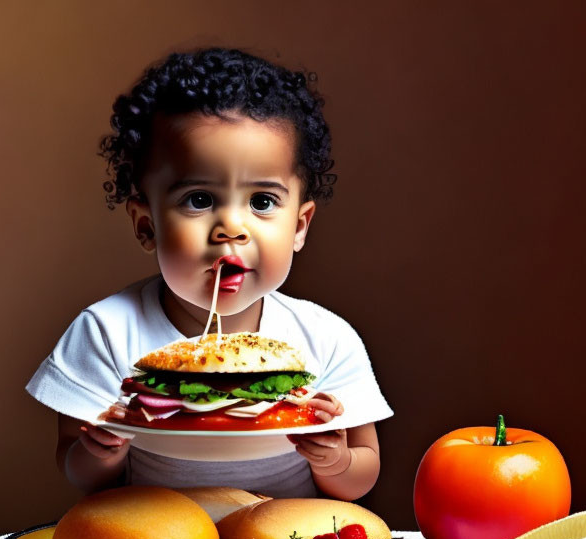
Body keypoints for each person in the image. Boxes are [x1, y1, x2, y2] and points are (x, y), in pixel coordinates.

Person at [27, 48, 392, 500]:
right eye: (199, 199)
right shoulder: (106, 331)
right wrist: (101, 453)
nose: (232, 229)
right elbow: (77, 469)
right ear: (147, 225)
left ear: (299, 226)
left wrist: (336, 459)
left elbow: (362, 472)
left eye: (262, 202)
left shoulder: (325, 338)